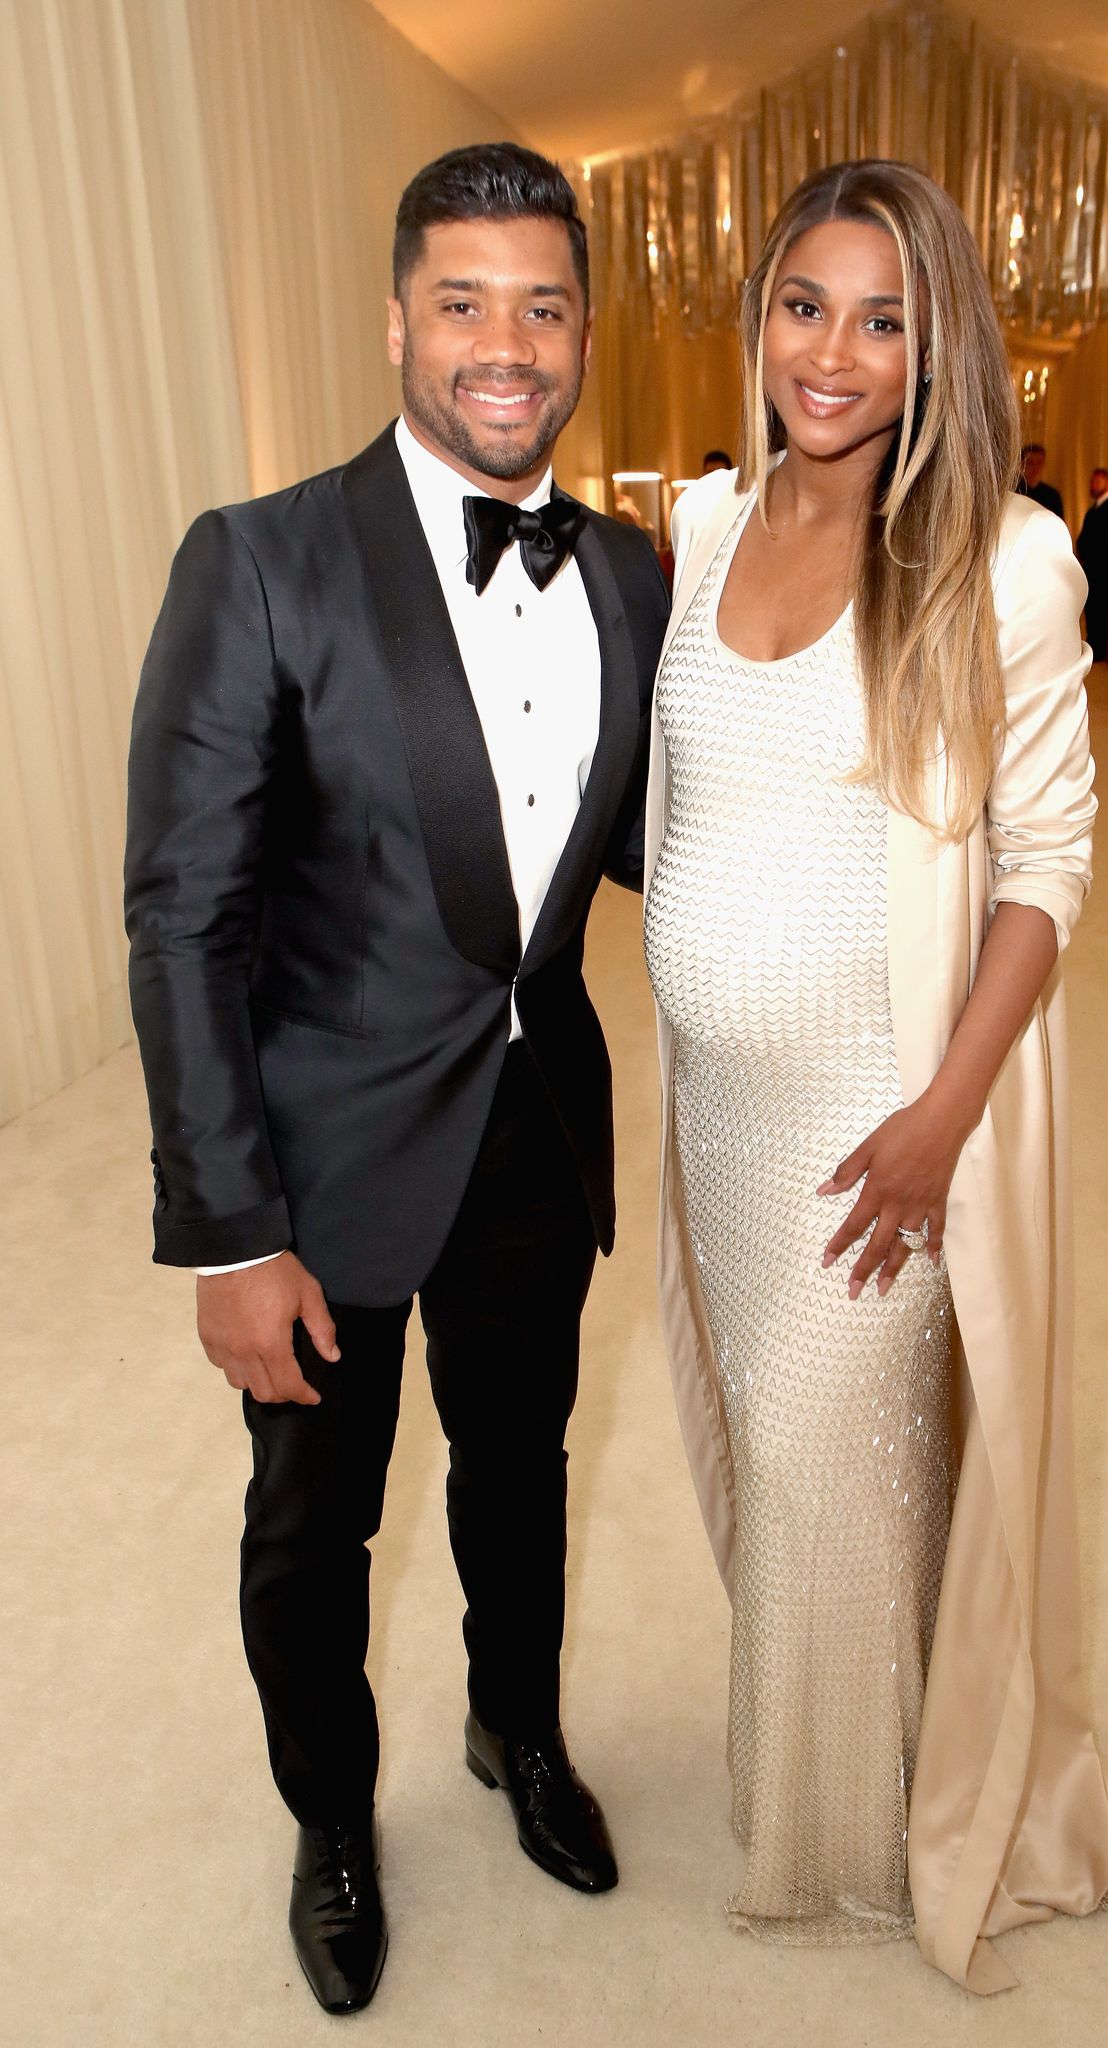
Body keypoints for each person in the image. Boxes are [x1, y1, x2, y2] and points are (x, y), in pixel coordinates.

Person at [643, 160, 1108, 1995]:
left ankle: (850, 1852)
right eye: (802, 305)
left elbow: (1045, 863)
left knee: (843, 1453)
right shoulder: (696, 527)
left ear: (936, 352)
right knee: (780, 1449)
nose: (831, 353)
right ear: (757, 315)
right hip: (720, 1115)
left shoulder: (997, 554)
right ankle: (841, 1761)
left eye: (883, 318)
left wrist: (940, 1116)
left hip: (881, 1116)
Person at [124, 142, 668, 2015]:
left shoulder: (626, 573)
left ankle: (512, 1729)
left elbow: (667, 842)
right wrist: (225, 1234)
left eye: (541, 304)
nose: (504, 346)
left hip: (537, 1127)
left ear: (580, 328)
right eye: (463, 302)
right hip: (318, 1156)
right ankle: (330, 1816)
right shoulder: (258, 559)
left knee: (521, 1474)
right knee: (311, 1524)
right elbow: (182, 916)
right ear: (396, 319)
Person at [1075, 465, 1108, 661]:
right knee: (1092, 609)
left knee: (1101, 609)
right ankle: (1096, 645)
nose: (1093, 485)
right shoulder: (1094, 509)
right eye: (1092, 481)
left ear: (1107, 483)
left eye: (1098, 481)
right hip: (1091, 567)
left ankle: (1102, 648)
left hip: (1104, 568)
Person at [1015, 440, 1064, 517]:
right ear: (1022, 464)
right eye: (1030, 462)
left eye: (1039, 462)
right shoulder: (1015, 492)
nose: (1035, 467)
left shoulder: (1052, 496)